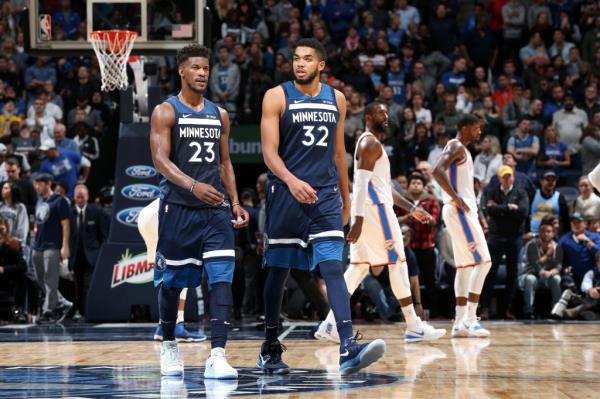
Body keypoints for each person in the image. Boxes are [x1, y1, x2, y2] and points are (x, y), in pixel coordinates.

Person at [260, 38, 385, 376]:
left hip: (325, 194)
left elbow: (339, 152)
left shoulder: (337, 98)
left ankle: (347, 345)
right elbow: (268, 152)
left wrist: (346, 198)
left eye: (307, 59)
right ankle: (270, 344)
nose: (300, 64)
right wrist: (290, 180)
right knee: (279, 271)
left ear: (321, 65)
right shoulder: (276, 96)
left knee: (332, 266)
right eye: (296, 59)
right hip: (286, 194)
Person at [149, 44, 249, 379]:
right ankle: (168, 343)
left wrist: (234, 201)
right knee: (173, 283)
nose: (203, 73)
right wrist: (192, 185)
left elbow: (224, 162)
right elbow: (160, 161)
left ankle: (218, 355)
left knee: (222, 279)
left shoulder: (219, 114)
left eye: (205, 68)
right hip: (179, 208)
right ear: (182, 70)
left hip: (216, 211)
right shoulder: (166, 111)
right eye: (196, 67)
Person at [315, 102, 444, 344]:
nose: (386, 116)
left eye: (387, 112)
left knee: (358, 268)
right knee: (398, 263)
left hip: (370, 211)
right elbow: (361, 185)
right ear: (367, 115)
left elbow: (385, 189)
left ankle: (331, 323)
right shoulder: (369, 143)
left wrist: (413, 209)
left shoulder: (373, 144)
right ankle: (414, 325)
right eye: (380, 112)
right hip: (375, 214)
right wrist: (359, 220)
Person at [433, 114, 492, 337]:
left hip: (457, 211)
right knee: (484, 262)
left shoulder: (462, 150)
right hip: (459, 211)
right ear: (465, 127)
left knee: (466, 267)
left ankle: (459, 323)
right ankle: (469, 319)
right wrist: (456, 197)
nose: (479, 133)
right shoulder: (456, 146)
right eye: (477, 128)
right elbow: (437, 170)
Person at [137, 198, 208, 342]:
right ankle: (177, 327)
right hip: (163, 214)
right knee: (181, 271)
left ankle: (163, 327)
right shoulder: (203, 189)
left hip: (145, 216)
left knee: (164, 275)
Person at [480, 165, 530, 319]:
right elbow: (489, 210)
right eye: (504, 176)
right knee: (489, 272)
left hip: (514, 237)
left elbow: (523, 212)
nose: (507, 179)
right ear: (500, 178)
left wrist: (499, 210)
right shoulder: (493, 191)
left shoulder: (521, 192)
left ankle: (507, 309)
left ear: (513, 177)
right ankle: (485, 308)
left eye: (509, 176)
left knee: (512, 273)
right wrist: (509, 207)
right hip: (495, 236)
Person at [32, 173, 72, 324]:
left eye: (40, 184)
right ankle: (62, 303)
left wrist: (65, 246)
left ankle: (48, 311)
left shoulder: (59, 200)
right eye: (36, 184)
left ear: (48, 183)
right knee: (39, 278)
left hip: (52, 245)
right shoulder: (40, 201)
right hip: (38, 245)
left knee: (50, 279)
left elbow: (65, 224)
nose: (37, 187)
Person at [69, 183, 109, 319]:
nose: (80, 199)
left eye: (82, 197)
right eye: (77, 197)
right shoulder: (69, 213)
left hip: (92, 256)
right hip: (74, 256)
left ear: (87, 197)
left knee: (88, 284)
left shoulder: (96, 211)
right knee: (76, 286)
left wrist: (102, 255)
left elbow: (103, 236)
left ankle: (88, 313)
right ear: (74, 197)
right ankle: (76, 312)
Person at [519, 216, 563, 319]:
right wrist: (548, 255)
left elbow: (559, 266)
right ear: (539, 231)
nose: (546, 233)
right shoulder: (531, 245)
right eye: (543, 231)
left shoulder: (558, 247)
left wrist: (551, 272)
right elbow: (536, 264)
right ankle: (529, 311)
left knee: (556, 278)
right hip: (530, 274)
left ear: (553, 233)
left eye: (548, 231)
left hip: (548, 276)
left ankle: (556, 311)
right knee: (530, 279)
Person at [0, 181, 28, 245]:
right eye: (3, 188)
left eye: (6, 188)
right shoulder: (0, 206)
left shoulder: (20, 207)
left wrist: (18, 241)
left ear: (12, 191)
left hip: (13, 243)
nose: (3, 190)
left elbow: (22, 226)